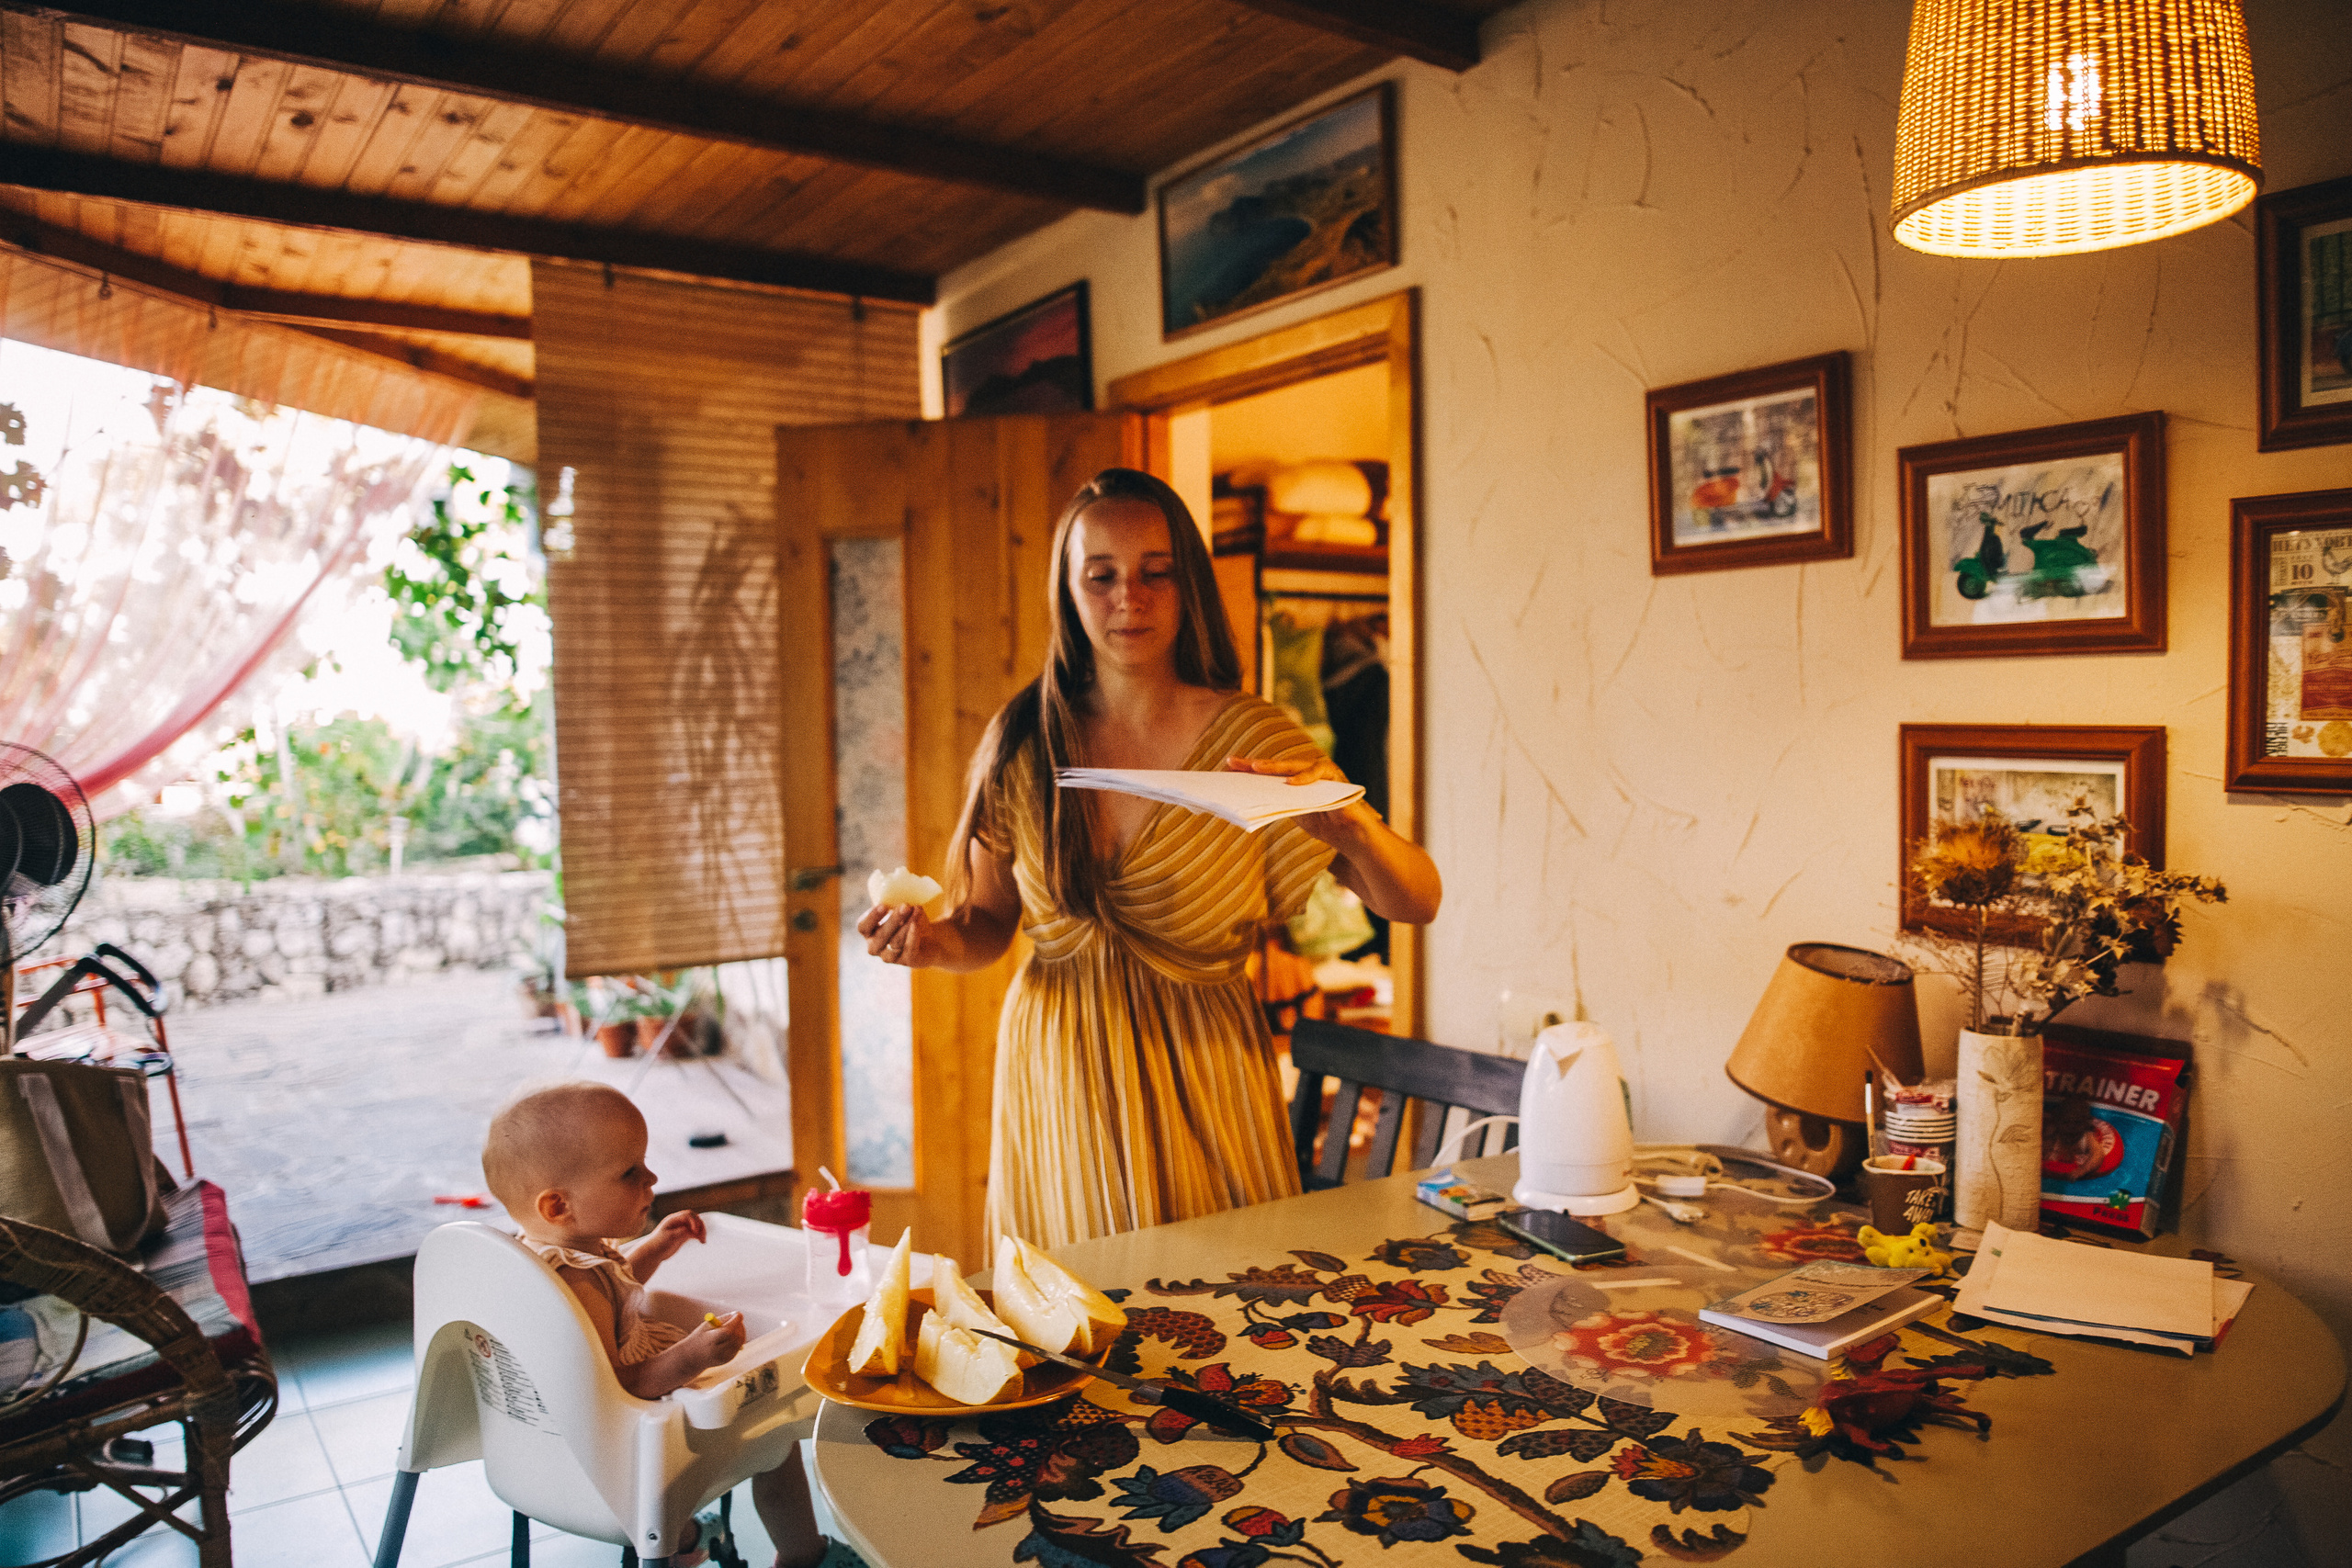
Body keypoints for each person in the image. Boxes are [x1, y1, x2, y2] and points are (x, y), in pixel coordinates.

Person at [856, 468, 1442, 1248]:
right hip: (1060, 1073)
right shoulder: (1025, 739)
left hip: (1209, 1077)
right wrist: (932, 944)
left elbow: (1417, 901)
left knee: (1229, 1312)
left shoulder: (1255, 742)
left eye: (1154, 573)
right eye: (1101, 576)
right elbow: (989, 922)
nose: (1128, 597)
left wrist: (1352, 827)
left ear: (1186, 584)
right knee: (1080, 1332)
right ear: (1069, 591)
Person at [481, 1082, 859, 1568]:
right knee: (776, 1437)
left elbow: (614, 1296)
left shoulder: (547, 1255)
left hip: (554, 1451)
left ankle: (681, 1538)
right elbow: (623, 1383)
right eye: (629, 1172)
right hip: (636, 1441)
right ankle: (803, 1555)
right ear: (558, 1205)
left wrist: (655, 1247)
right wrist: (695, 1354)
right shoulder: (575, 1282)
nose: (652, 1177)